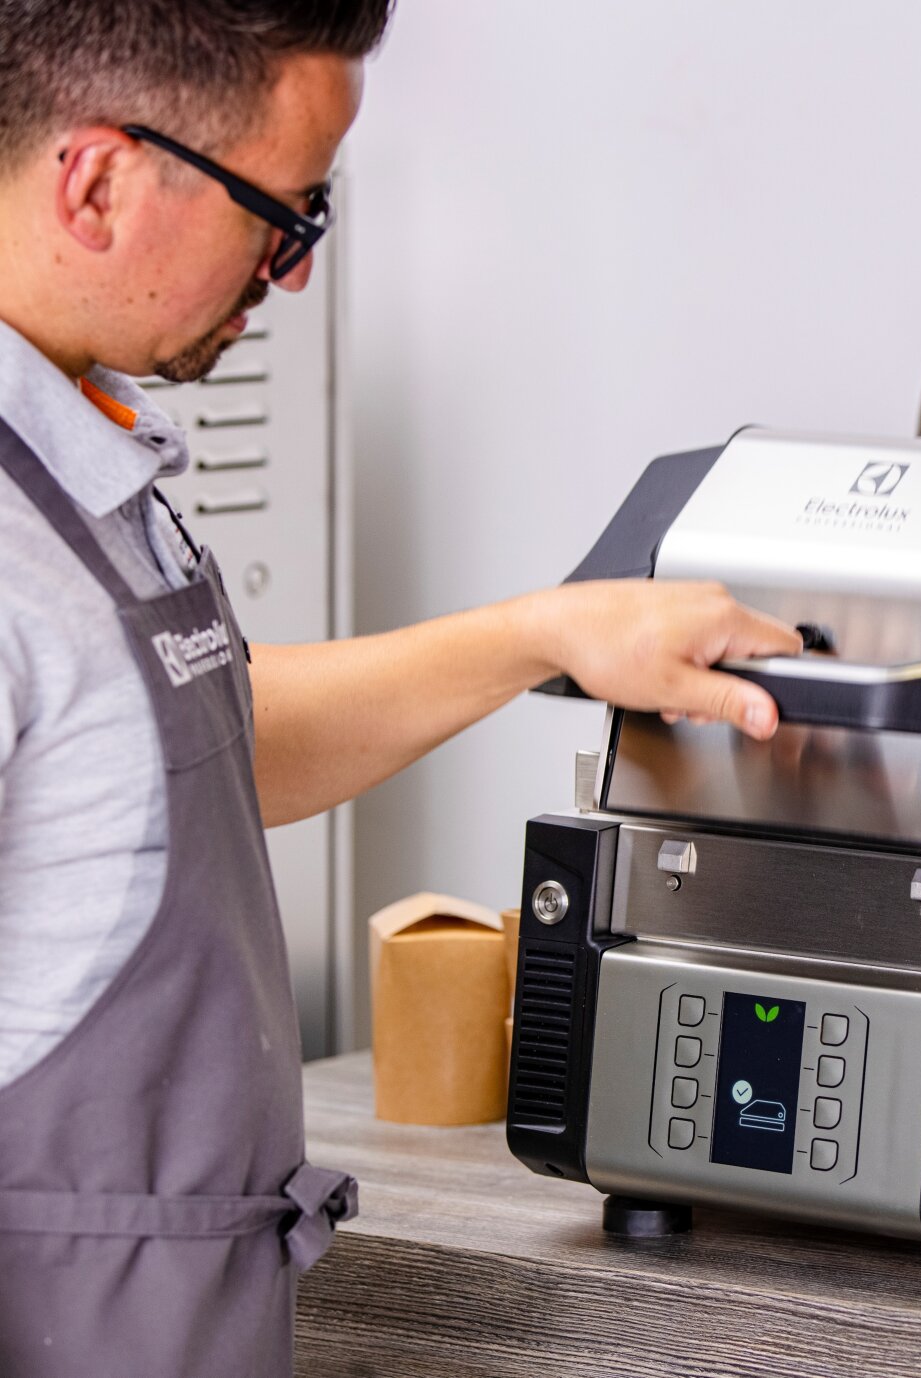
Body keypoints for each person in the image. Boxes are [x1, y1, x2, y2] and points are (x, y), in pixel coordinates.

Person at [0, 4, 801, 1374]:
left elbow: (186, 747)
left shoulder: (76, 463)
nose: (296, 273)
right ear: (97, 180)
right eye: (286, 212)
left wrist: (544, 633)